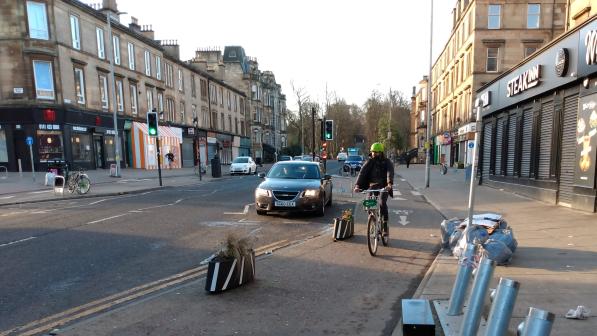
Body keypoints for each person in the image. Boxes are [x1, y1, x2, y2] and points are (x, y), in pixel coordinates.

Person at [354, 142, 394, 236]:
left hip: (384, 186)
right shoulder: (369, 162)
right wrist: (357, 185)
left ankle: (384, 227)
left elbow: (390, 172)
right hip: (373, 185)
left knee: (382, 203)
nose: (374, 154)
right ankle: (372, 221)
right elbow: (362, 173)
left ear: (381, 153)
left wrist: (389, 184)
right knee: (368, 203)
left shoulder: (387, 162)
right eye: (372, 152)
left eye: (376, 152)